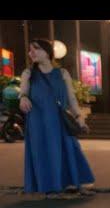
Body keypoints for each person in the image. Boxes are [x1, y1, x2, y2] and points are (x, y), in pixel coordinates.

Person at [19, 39, 94, 199]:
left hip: (59, 120)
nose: (31, 53)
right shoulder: (28, 73)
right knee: (44, 153)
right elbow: (23, 92)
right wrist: (23, 98)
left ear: (47, 52)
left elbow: (71, 99)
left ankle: (73, 184)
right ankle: (50, 189)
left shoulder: (62, 73)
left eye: (35, 49)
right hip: (38, 123)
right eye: (30, 50)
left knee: (69, 149)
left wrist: (79, 117)